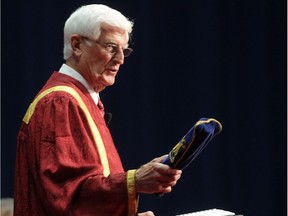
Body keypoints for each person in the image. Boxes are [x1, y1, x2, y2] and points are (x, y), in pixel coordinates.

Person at [13, 4, 182, 216]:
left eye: (124, 50)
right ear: (77, 45)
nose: (120, 59)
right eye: (111, 47)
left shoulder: (81, 99)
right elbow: (68, 196)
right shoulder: (61, 102)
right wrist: (135, 180)